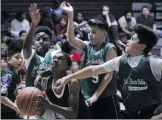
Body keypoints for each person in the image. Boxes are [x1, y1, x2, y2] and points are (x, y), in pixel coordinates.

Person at [55, 24, 162, 119]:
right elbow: (93, 70)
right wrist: (67, 78)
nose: (128, 41)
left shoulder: (154, 62)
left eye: (133, 39)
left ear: (142, 46)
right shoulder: (120, 61)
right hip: (130, 113)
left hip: (151, 113)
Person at [58, 2, 120, 119]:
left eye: (94, 32)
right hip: (87, 96)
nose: (90, 35)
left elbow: (108, 75)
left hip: (105, 97)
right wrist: (71, 15)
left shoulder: (109, 48)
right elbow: (71, 39)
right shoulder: (87, 46)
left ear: (104, 34)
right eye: (89, 32)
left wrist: (96, 96)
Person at [34, 51, 91, 119]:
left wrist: (50, 106)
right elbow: (42, 110)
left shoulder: (72, 83)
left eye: (60, 59)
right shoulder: (46, 82)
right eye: (54, 58)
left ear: (68, 67)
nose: (55, 60)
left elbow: (73, 114)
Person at [22, 3, 61, 87]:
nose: (41, 41)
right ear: (33, 42)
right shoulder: (31, 55)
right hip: (32, 96)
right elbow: (25, 48)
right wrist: (34, 24)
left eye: (45, 39)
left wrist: (42, 75)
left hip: (51, 97)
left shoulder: (55, 53)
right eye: (38, 39)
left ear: (51, 43)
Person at [1, 47, 23, 119]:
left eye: (21, 58)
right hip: (3, 113)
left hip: (11, 111)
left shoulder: (16, 73)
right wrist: (16, 107)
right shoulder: (8, 75)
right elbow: (1, 96)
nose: (20, 60)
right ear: (8, 60)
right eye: (17, 58)